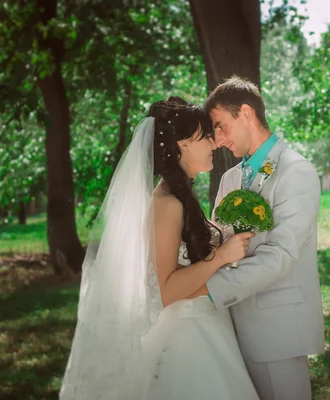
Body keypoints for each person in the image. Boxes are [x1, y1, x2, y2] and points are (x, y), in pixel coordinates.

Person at [59, 98, 259, 400]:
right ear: (182, 145)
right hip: (187, 342)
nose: (214, 143)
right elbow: (163, 290)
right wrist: (222, 255)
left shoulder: (180, 196)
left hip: (206, 327)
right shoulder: (167, 204)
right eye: (205, 136)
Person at [196, 76, 325, 400]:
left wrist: (207, 291)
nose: (218, 139)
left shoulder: (296, 170)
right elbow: (218, 240)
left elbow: (281, 253)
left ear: (246, 113)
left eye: (220, 126)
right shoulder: (230, 179)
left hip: (277, 328)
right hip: (230, 326)